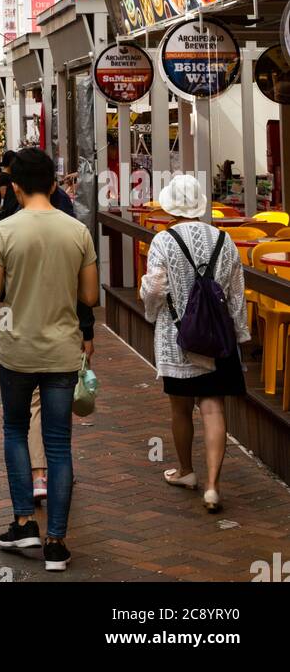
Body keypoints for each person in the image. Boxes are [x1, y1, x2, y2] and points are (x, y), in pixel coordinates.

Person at [0, 147, 99, 574]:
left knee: (15, 429)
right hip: (63, 351)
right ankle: (56, 544)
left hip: (17, 349)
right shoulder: (76, 231)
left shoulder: (4, 231)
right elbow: (89, 297)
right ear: (53, 184)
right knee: (59, 445)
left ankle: (23, 522)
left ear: (15, 186)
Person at [140, 173, 249, 514]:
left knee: (180, 408)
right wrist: (239, 332)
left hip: (178, 338)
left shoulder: (163, 240)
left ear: (171, 205)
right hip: (216, 341)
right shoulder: (224, 239)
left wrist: (151, 311)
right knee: (213, 407)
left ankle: (187, 472)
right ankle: (214, 486)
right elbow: (236, 294)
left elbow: (155, 289)